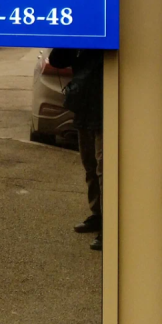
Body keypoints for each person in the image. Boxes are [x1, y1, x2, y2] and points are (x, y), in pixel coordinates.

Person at [49, 49, 104, 251]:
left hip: (106, 109)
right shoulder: (79, 43)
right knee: (90, 166)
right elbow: (56, 60)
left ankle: (110, 223)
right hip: (84, 110)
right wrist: (69, 40)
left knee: (104, 170)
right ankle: (97, 215)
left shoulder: (104, 41)